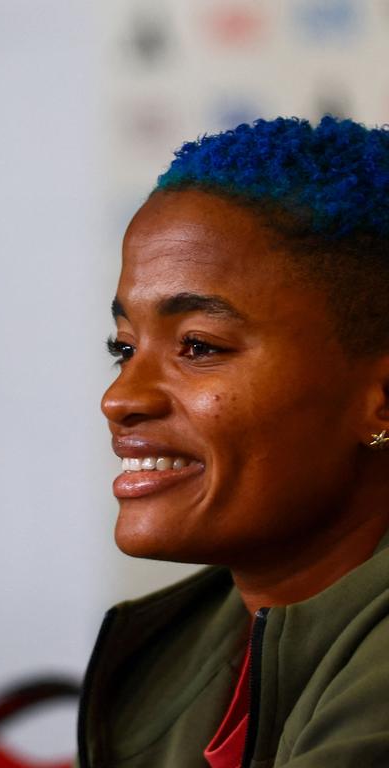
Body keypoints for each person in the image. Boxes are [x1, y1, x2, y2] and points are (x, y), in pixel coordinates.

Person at [79, 116, 389, 767]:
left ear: (380, 399)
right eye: (124, 348)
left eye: (198, 346)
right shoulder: (171, 651)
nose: (121, 399)